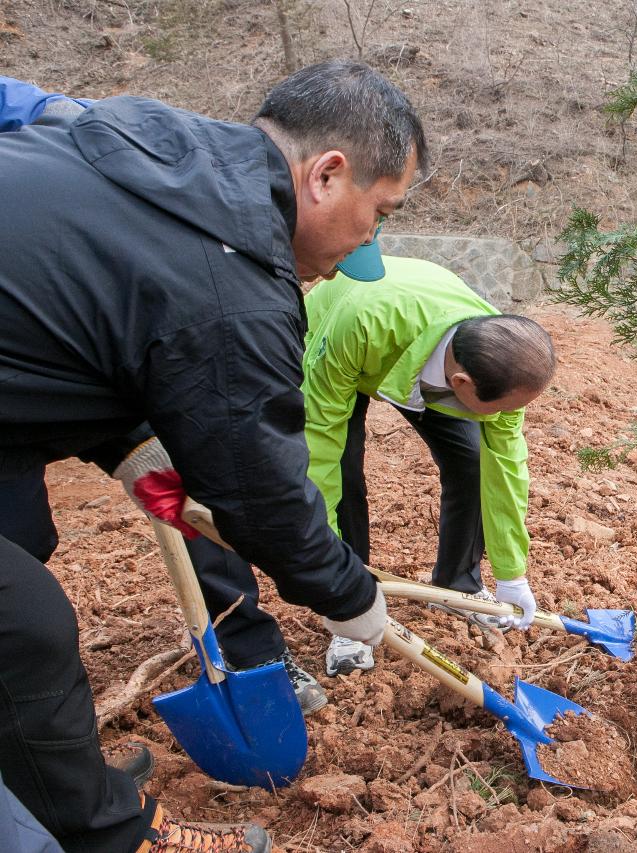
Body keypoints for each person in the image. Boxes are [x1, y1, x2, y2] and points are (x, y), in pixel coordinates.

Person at [0, 60, 424, 853]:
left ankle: (37, 776)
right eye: (381, 212)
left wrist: (126, 445)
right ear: (328, 176)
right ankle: (111, 836)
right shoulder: (232, 282)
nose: (372, 239)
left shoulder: (143, 144)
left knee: (17, 556)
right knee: (20, 624)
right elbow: (260, 491)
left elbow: (62, 309)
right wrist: (346, 592)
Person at [189, 254, 557, 681]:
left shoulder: (503, 357)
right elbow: (319, 446)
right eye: (503, 411)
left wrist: (513, 573)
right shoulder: (359, 327)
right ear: (461, 385)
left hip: (426, 346)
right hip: (350, 341)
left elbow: (506, 464)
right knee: (343, 472)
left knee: (475, 460)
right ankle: (354, 591)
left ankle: (458, 584)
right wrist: (332, 587)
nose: (510, 418)